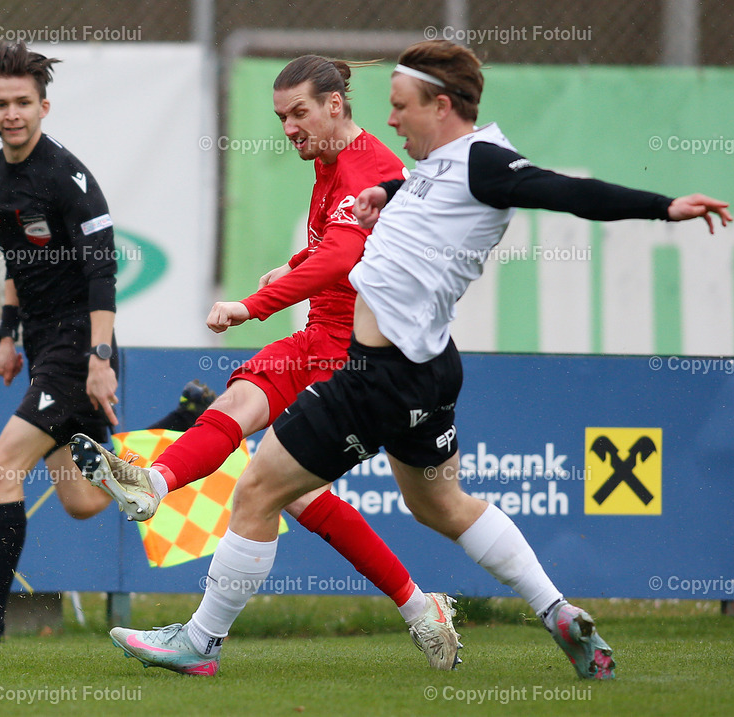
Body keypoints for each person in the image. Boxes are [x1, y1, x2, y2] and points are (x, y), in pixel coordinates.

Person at [89, 40, 732, 679]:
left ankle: (200, 642)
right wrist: (388, 194)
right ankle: (555, 609)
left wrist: (663, 207)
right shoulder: (441, 164)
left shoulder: (484, 163)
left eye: (400, 107)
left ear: (441, 104)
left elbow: (559, 191)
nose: (390, 121)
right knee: (441, 506)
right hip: (430, 372)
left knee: (258, 490)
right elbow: (421, 194)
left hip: (374, 375)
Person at [70, 55, 461, 673]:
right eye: (281, 117)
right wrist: (294, 263)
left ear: (335, 105)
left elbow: (339, 257)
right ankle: (153, 485)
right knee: (239, 412)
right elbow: (334, 250)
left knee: (284, 493)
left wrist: (252, 304)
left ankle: (417, 608)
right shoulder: (331, 162)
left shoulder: (373, 169)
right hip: (313, 341)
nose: (288, 129)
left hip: (353, 361)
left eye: (298, 113)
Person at [0, 41, 125, 643]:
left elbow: (102, 270)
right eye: (0, 103)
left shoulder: (66, 177)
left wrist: (100, 358)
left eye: (23, 103)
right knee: (83, 501)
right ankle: (178, 426)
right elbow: (16, 263)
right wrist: (6, 336)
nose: (12, 113)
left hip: (75, 347)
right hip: (40, 345)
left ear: (44, 106)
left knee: (1, 469)